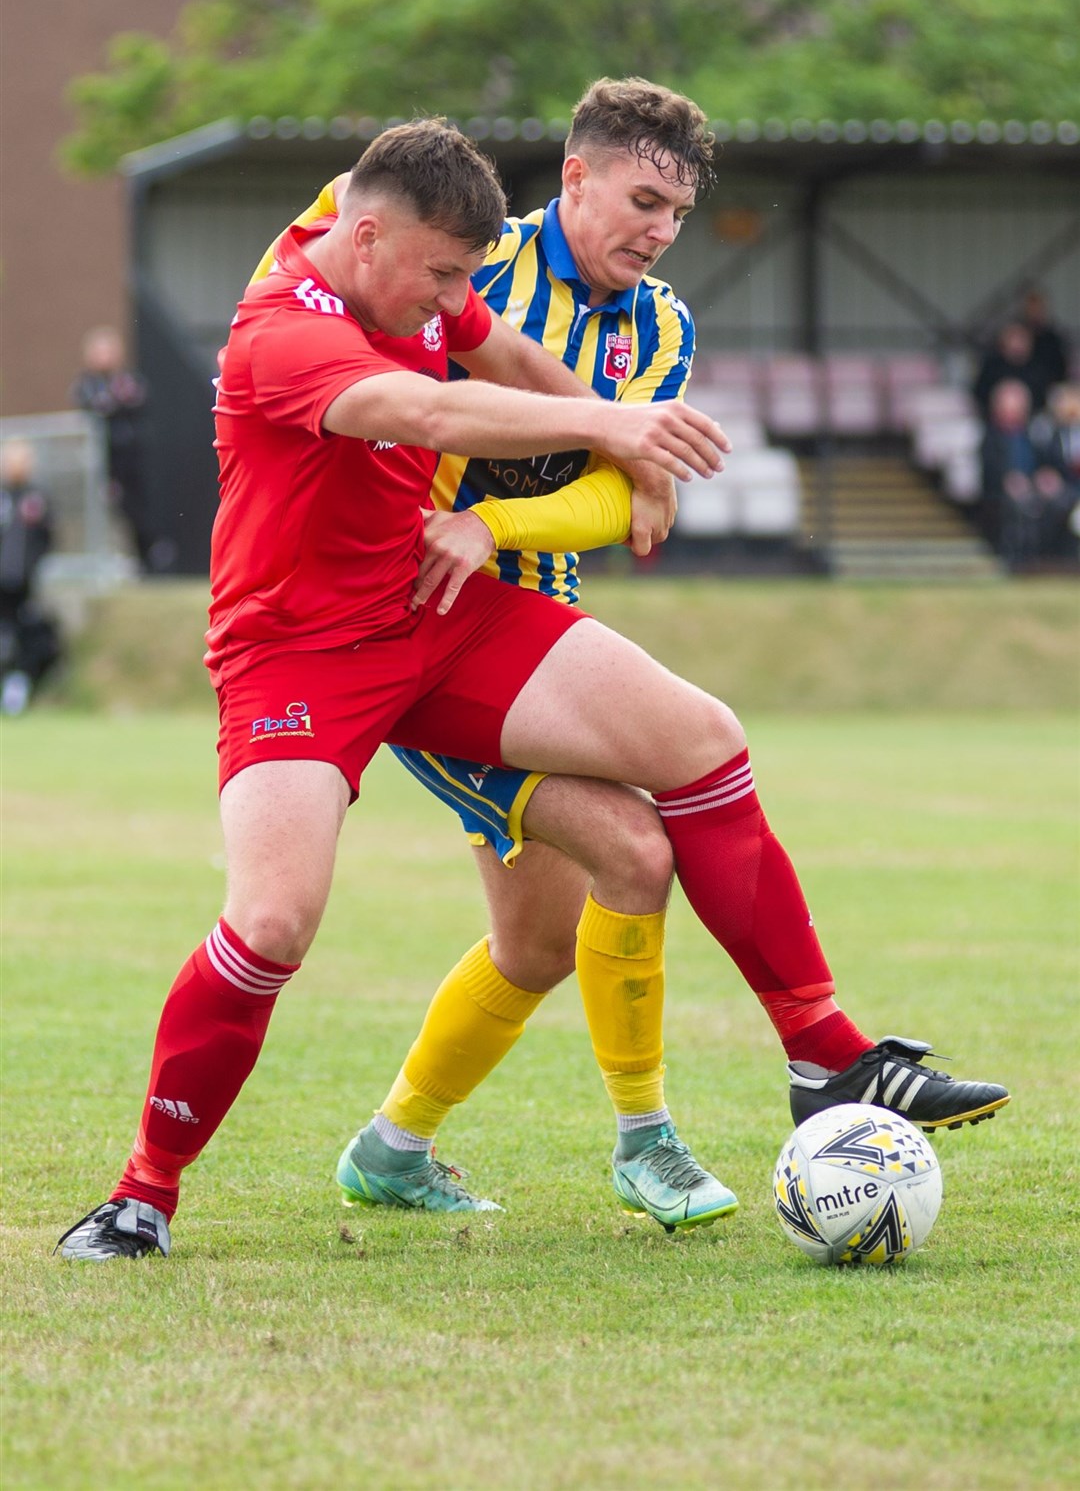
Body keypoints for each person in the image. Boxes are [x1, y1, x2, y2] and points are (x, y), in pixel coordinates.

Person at [56, 117, 1008, 1264]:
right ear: (365, 242)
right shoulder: (280, 338)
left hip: (439, 612)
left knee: (699, 741)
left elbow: (493, 355)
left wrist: (635, 460)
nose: (459, 300)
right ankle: (142, 1194)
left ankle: (822, 1053)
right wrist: (618, 427)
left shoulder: (421, 272)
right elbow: (433, 412)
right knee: (272, 925)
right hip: (297, 654)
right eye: (445, 277)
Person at [71, 325, 158, 569]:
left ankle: (144, 558)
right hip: (103, 460)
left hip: (131, 458)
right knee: (110, 508)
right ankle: (110, 558)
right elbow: (94, 408)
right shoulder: (86, 384)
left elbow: (136, 402)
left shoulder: (128, 379)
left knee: (138, 510)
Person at [980, 377, 1073, 566]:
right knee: (1020, 504)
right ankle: (1020, 559)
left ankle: (1057, 556)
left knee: (1062, 501)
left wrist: (1046, 476)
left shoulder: (1034, 432)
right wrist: (1009, 480)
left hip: (1033, 486)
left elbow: (1046, 461)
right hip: (1003, 492)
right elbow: (988, 471)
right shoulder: (990, 437)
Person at [0, 439, 61, 714]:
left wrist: (30, 564)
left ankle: (18, 689)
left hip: (23, 585)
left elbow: (47, 536)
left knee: (32, 637)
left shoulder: (36, 498)